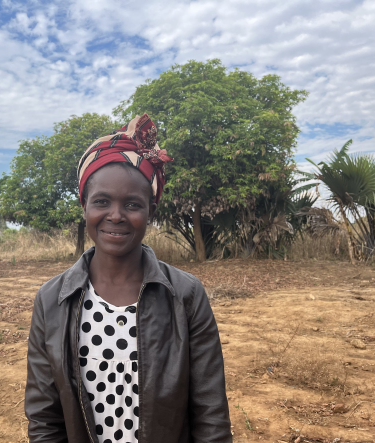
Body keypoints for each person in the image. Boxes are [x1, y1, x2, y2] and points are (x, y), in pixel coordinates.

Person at [25, 113, 232, 443]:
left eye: (132, 204)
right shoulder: (52, 300)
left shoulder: (186, 295)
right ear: (84, 205)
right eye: (102, 201)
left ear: (151, 210)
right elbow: (44, 417)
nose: (116, 215)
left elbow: (210, 414)